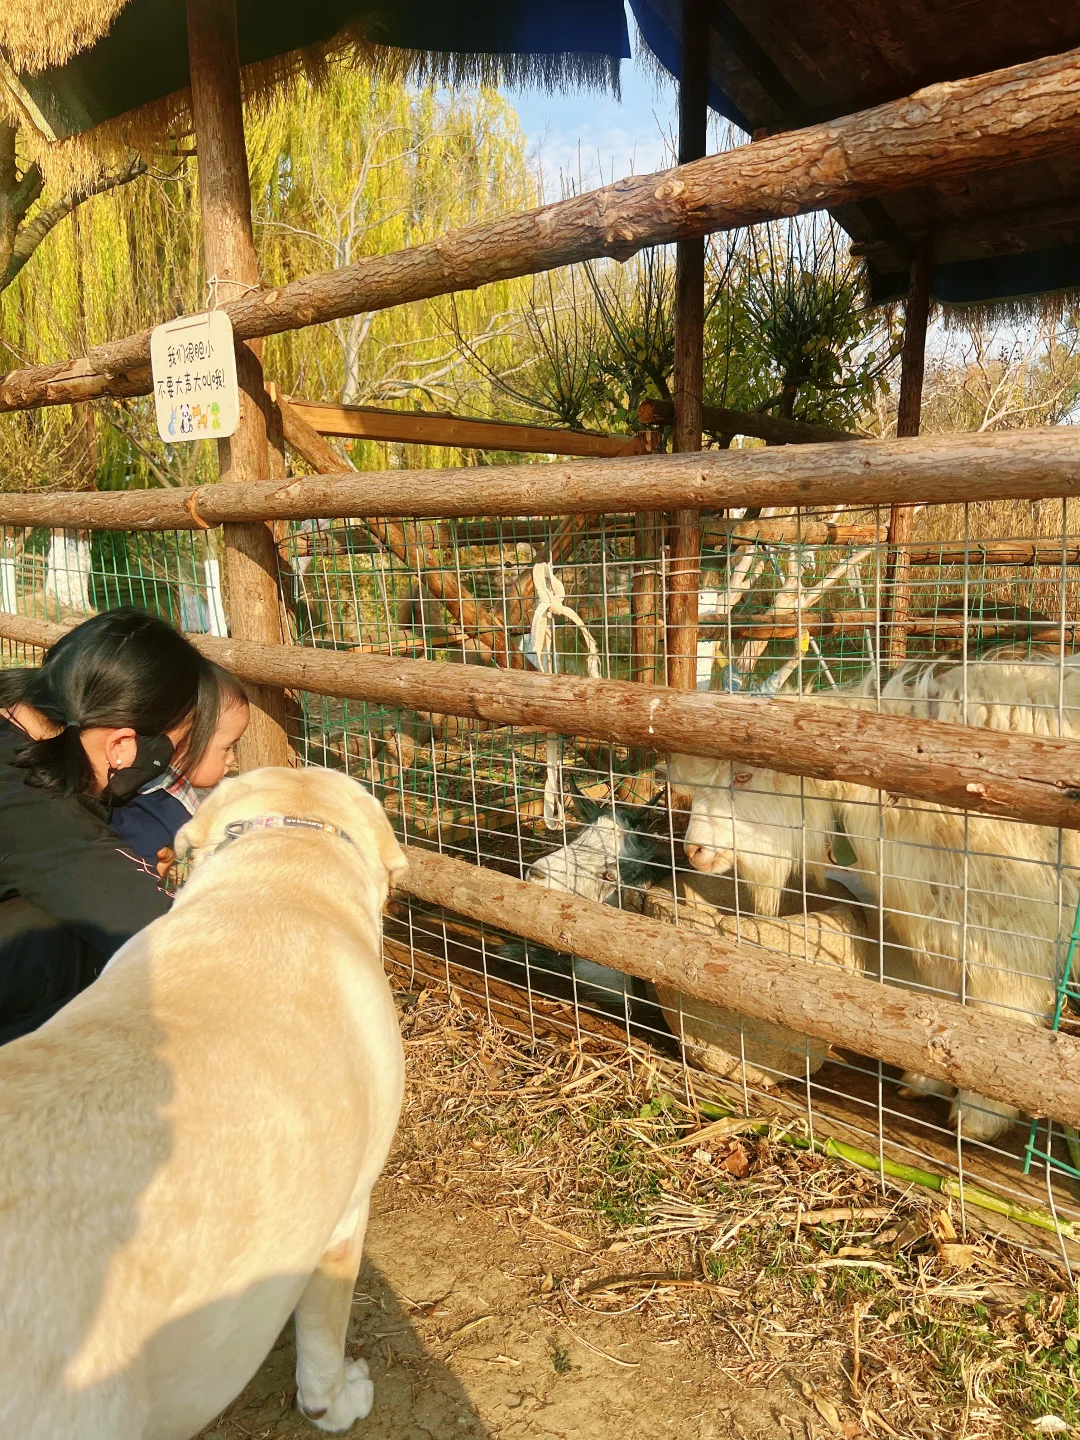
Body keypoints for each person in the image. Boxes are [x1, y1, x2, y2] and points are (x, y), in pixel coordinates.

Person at [0, 608, 250, 1044]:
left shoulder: (24, 724)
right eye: (169, 750)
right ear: (121, 746)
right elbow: (163, 937)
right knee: (64, 945)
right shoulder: (38, 813)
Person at [106, 664, 250, 870]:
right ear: (184, 740)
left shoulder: (129, 778)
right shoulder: (158, 808)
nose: (231, 759)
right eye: (226, 748)